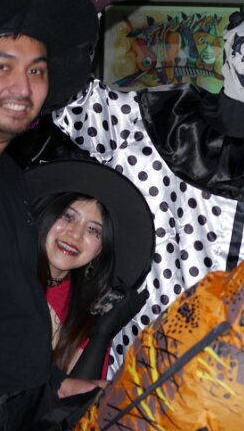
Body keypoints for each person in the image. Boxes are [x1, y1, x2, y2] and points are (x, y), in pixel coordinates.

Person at [55, 8, 244, 375]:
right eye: (241, 43)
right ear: (227, 47)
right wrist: (65, 32)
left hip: (224, 375)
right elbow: (76, 104)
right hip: (132, 355)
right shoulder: (156, 114)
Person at [0, 0, 99, 431]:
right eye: (2, 66)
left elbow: (4, 310)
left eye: (36, 71)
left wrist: (55, 386)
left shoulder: (8, 176)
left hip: (16, 416)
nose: (22, 86)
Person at [24, 159, 154, 378]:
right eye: (68, 216)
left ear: (100, 249)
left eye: (94, 230)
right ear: (46, 213)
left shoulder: (86, 315)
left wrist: (101, 335)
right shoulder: (0, 266)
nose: (75, 234)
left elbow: (77, 396)